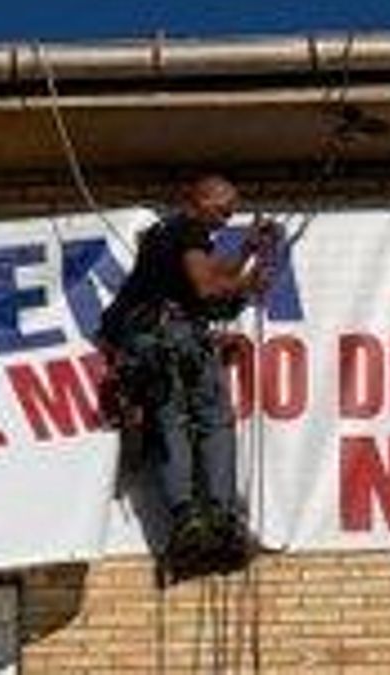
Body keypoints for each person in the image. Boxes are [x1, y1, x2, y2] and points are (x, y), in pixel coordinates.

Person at [98, 174, 277, 576]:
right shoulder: (189, 229)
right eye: (222, 209)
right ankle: (221, 515)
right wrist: (249, 283)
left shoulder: (168, 235)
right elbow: (207, 289)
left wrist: (246, 252)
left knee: (170, 425)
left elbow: (209, 276)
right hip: (174, 339)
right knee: (213, 422)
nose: (226, 218)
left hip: (147, 344)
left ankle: (186, 518)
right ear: (198, 201)